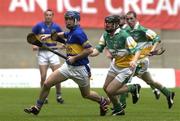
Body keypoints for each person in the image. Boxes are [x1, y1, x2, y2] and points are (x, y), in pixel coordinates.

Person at [24, 10, 110, 116]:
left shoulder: (79, 33)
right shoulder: (72, 31)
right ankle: (37, 107)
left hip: (80, 69)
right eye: (66, 19)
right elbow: (64, 34)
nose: (68, 21)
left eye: (70, 19)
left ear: (77, 21)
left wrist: (74, 58)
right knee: (47, 84)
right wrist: (48, 36)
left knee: (86, 94)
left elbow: (89, 50)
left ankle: (102, 101)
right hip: (68, 67)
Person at [119, 11, 175, 109]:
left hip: (141, 60)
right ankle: (168, 93)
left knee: (123, 78)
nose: (129, 21)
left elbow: (157, 38)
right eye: (127, 19)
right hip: (134, 60)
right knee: (150, 81)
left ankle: (121, 105)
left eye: (131, 18)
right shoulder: (126, 29)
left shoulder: (142, 29)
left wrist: (152, 51)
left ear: (136, 19)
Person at [90, 15, 142, 116]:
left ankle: (133, 88)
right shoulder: (105, 35)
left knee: (111, 90)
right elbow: (97, 50)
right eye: (106, 23)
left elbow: (137, 50)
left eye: (109, 23)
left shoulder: (124, 35)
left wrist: (134, 61)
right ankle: (119, 109)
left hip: (127, 67)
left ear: (116, 24)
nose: (107, 25)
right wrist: (87, 53)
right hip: (115, 65)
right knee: (105, 88)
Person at [31, 9, 64, 104]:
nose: (48, 16)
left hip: (54, 52)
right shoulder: (38, 26)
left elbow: (61, 38)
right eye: (47, 15)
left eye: (50, 15)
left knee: (57, 76)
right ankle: (44, 97)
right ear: (44, 16)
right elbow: (32, 36)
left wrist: (63, 44)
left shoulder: (57, 27)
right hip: (42, 53)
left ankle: (59, 95)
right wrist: (34, 45)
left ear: (52, 16)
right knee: (43, 76)